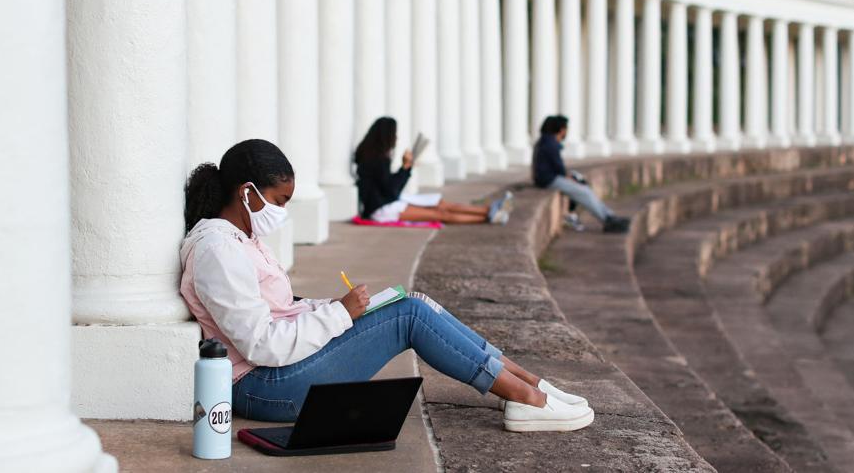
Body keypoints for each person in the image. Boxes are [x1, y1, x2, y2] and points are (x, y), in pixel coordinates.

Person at [179, 139, 594, 432]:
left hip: (283, 370)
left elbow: (278, 311)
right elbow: (261, 344)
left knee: (411, 300)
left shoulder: (241, 239)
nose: (282, 211)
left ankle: (526, 383)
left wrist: (336, 308)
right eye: (280, 200)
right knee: (408, 316)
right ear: (247, 193)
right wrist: (339, 314)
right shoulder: (218, 250)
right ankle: (527, 399)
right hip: (264, 387)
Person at [353, 117, 511, 224]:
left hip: (387, 203)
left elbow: (387, 186)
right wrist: (405, 168)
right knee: (440, 214)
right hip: (382, 209)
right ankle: (489, 216)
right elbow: (391, 190)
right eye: (395, 134)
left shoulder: (372, 158)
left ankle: (488, 210)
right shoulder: (379, 160)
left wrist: (405, 168)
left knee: (440, 205)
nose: (397, 138)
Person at [532, 115, 629, 233]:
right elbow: (558, 168)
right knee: (584, 192)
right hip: (549, 180)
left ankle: (609, 216)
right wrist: (569, 178)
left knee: (585, 190)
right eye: (566, 129)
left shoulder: (546, 141)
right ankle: (607, 219)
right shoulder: (550, 144)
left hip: (549, 178)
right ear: (561, 130)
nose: (566, 132)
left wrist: (568, 176)